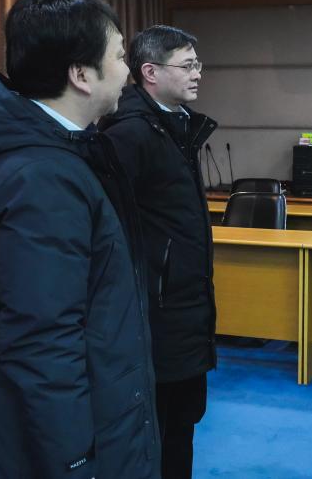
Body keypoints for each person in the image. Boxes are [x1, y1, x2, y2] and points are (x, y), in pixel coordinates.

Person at [0, 0, 158, 478]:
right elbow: (44, 344)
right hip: (26, 452)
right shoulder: (42, 177)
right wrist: (76, 463)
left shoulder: (56, 156)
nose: (128, 72)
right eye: (119, 57)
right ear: (81, 75)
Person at [101, 25, 218, 479]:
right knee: (157, 432)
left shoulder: (175, 125)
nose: (197, 74)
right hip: (155, 313)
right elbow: (109, 229)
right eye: (187, 66)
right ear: (150, 72)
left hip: (185, 308)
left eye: (197, 64)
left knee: (182, 427)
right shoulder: (130, 134)